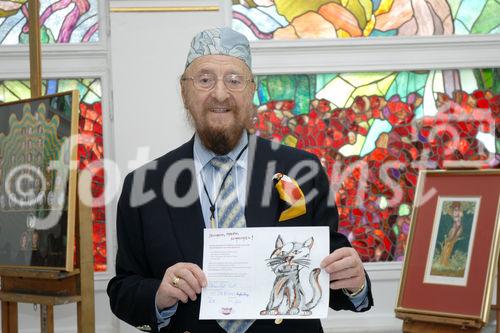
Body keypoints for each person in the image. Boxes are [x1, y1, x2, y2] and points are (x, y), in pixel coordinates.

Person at [107, 27, 373, 333]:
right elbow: (123, 288)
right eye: (204, 79)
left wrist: (355, 283)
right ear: (184, 91)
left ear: (251, 91)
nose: (220, 93)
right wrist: (159, 295)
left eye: (234, 80)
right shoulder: (145, 185)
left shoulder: (303, 171)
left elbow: (329, 271)